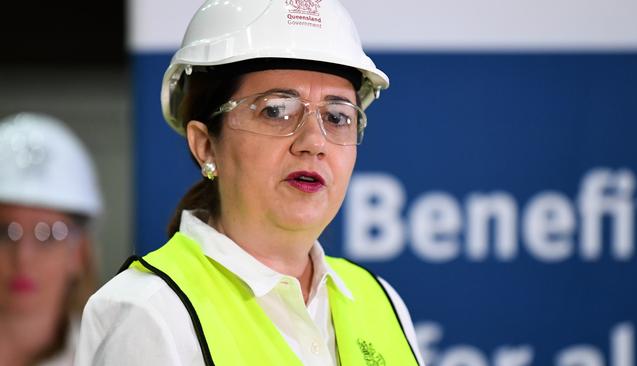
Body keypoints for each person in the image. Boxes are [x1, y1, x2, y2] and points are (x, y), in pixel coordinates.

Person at [76, 0, 424, 365]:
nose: (314, 142)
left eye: (337, 116)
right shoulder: (148, 312)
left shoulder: (380, 300)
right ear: (206, 145)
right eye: (276, 110)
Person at [0, 112, 103, 366]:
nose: (23, 257)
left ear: (79, 253)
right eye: (3, 232)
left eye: (47, 235)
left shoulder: (108, 357)